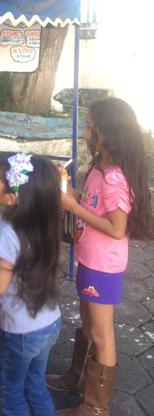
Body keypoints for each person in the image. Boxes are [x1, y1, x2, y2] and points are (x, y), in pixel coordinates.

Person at [47, 97, 153, 416]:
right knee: (88, 325)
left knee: (101, 333)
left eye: (91, 126)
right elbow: (92, 204)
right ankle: (76, 377)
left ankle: (95, 406)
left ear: (109, 131)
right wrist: (69, 192)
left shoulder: (115, 177)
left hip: (103, 266)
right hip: (89, 259)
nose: (86, 131)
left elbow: (116, 227)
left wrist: (75, 208)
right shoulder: (99, 169)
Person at [0, 153, 62, 416]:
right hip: (49, 323)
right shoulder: (42, 219)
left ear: (12, 197)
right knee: (36, 386)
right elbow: (12, 220)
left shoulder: (8, 231)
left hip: (21, 332)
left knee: (10, 395)